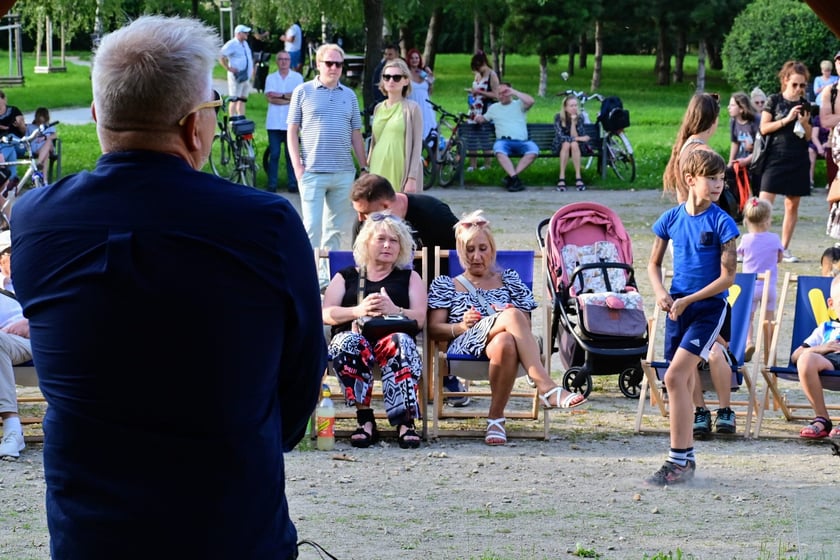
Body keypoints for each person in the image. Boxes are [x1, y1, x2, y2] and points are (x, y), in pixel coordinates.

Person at [10, 15, 325, 560]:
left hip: (91, 527)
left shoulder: (36, 218)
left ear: (96, 116)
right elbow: (301, 370)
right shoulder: (265, 224)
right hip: (230, 521)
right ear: (192, 126)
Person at [427, 210, 587, 446]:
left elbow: (525, 325)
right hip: (464, 347)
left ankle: (495, 418)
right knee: (511, 315)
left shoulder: (510, 279)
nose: (476, 256)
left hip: (504, 346)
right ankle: (546, 386)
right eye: (469, 250)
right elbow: (432, 329)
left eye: (482, 248)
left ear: (492, 249)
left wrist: (501, 317)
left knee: (506, 341)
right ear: (461, 253)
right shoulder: (447, 284)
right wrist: (460, 326)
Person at [646, 149, 739, 485]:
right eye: (711, 177)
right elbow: (652, 264)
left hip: (708, 308)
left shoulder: (723, 223)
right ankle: (686, 458)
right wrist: (660, 293)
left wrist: (690, 300)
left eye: (721, 178)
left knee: (673, 377)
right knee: (680, 381)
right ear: (690, 180)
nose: (719, 184)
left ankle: (676, 460)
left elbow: (727, 279)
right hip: (677, 307)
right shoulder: (670, 219)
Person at [349, 173, 470, 406]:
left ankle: (446, 373)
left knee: (443, 307)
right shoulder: (365, 223)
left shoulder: (433, 213)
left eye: (364, 212)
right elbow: (360, 267)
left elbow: (463, 254)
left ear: (385, 205)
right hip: (387, 289)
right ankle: (378, 374)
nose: (359, 218)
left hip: (436, 287)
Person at [322, 213, 427, 449]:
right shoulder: (346, 276)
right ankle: (365, 419)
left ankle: (405, 422)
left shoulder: (409, 277)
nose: (388, 245)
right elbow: (326, 313)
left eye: (394, 240)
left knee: (401, 342)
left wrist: (395, 309)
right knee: (347, 342)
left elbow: (420, 318)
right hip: (356, 340)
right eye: (381, 239)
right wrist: (358, 310)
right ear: (367, 242)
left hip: (392, 344)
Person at [287, 43, 368, 287]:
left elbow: (356, 133)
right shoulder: (302, 91)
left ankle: (325, 278)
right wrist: (298, 167)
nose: (334, 68)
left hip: (343, 172)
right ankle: (306, 276)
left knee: (335, 229)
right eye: (329, 63)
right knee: (311, 227)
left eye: (339, 64)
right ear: (318, 64)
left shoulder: (349, 95)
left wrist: (364, 167)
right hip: (312, 171)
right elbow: (292, 131)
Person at [758, 60, 812, 264]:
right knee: (763, 204)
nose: (799, 89)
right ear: (785, 81)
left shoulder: (806, 105)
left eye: (802, 85)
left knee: (792, 205)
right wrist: (787, 119)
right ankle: (758, 244)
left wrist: (805, 124)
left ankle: (783, 249)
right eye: (795, 84)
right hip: (775, 157)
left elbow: (808, 137)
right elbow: (763, 128)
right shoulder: (774, 100)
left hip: (798, 157)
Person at [791, 274, 840, 439]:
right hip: (829, 363)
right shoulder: (826, 328)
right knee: (805, 358)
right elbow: (795, 356)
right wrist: (821, 348)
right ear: (831, 305)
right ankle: (822, 418)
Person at [737, 197, 783, 365]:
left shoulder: (746, 239)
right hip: (769, 286)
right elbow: (779, 258)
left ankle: (749, 342)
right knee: (768, 320)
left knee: (748, 318)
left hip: (751, 286)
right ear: (767, 219)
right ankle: (769, 351)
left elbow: (740, 255)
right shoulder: (774, 239)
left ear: (747, 220)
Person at [0, 230, 33, 460]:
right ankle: (12, 429)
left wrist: (30, 322)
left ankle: (12, 426)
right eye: (9, 253)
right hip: (7, 343)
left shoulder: (38, 278)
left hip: (43, 336)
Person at [368, 58, 423, 194]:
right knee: (376, 211)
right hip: (377, 166)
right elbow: (374, 141)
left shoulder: (412, 108)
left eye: (396, 77)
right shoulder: (378, 108)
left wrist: (412, 177)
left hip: (400, 169)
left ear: (406, 80)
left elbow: (417, 146)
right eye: (387, 77)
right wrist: (366, 168)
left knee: (399, 211)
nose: (391, 81)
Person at [473, 83, 537, 193]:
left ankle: (512, 178)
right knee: (499, 151)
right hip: (503, 141)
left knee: (533, 151)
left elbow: (531, 101)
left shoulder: (519, 105)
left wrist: (515, 92)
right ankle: (515, 179)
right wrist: (478, 118)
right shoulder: (494, 108)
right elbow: (484, 119)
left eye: (504, 93)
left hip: (522, 141)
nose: (501, 96)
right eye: (499, 94)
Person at [662, 92, 720, 203]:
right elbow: (709, 197)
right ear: (714, 120)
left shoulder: (684, 146)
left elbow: (681, 195)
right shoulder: (704, 153)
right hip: (704, 218)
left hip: (688, 216)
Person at [265, 51, 304, 193]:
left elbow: (298, 98)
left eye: (286, 59)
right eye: (280, 59)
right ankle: (272, 184)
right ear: (277, 61)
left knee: (291, 154)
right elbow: (270, 98)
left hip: (291, 123)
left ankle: (293, 183)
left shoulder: (297, 77)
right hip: (274, 123)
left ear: (290, 61)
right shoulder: (271, 78)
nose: (283, 62)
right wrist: (289, 97)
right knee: (274, 154)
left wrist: (280, 95)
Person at [466, 50, 499, 172]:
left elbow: (496, 95)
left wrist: (479, 92)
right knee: (472, 138)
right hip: (474, 109)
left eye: (478, 67)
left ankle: (487, 164)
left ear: (484, 63)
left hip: (486, 110)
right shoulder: (477, 75)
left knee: (484, 138)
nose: (477, 70)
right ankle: (472, 164)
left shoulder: (492, 75)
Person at [553, 94, 591, 192]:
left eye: (575, 105)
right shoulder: (558, 117)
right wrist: (580, 138)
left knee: (573, 144)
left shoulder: (580, 117)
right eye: (571, 106)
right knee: (566, 144)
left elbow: (575, 136)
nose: (574, 108)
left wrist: (574, 123)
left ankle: (578, 177)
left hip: (577, 147)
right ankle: (562, 178)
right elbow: (560, 136)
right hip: (560, 146)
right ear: (565, 108)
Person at [219, 24, 253, 117]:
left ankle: (241, 117)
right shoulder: (232, 44)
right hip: (237, 76)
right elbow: (221, 55)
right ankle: (232, 118)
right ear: (238, 33)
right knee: (234, 98)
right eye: (245, 32)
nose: (247, 34)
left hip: (246, 76)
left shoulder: (245, 44)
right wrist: (228, 68)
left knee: (242, 99)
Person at [405, 48, 436, 144]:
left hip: (425, 106)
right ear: (408, 60)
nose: (415, 60)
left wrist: (430, 76)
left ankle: (428, 154)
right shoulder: (406, 74)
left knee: (428, 130)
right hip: (412, 104)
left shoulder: (423, 73)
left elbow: (430, 91)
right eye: (412, 58)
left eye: (417, 58)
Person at [727, 92, 760, 169]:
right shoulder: (733, 121)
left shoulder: (756, 121)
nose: (728, 107)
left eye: (732, 105)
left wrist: (746, 160)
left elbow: (761, 147)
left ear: (741, 109)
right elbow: (735, 142)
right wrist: (730, 163)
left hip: (755, 163)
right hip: (741, 161)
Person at [0, 90, 26, 183]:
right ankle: (12, 181)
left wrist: (21, 125)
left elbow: (24, 132)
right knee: (10, 150)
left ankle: (1, 161)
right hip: (5, 147)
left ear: (4, 99)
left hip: (19, 145)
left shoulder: (14, 110)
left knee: (9, 137)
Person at [25, 107, 57, 173]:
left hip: (48, 146)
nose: (41, 123)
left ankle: (38, 163)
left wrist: (45, 137)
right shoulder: (30, 127)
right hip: (36, 147)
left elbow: (54, 136)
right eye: (39, 121)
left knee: (48, 141)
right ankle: (44, 180)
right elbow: (27, 138)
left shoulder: (49, 126)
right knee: (46, 154)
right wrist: (34, 136)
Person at [808, 113, 831, 189]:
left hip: (831, 142)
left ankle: (831, 182)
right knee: (811, 151)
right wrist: (819, 147)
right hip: (817, 142)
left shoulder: (836, 118)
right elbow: (814, 136)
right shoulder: (818, 118)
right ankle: (810, 181)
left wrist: (828, 143)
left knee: (829, 153)